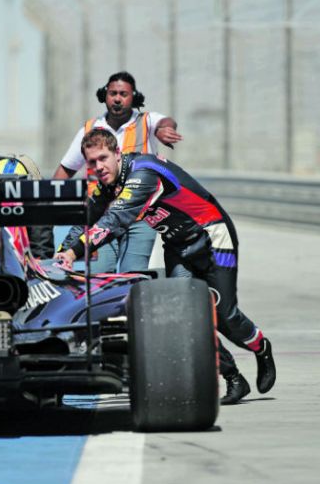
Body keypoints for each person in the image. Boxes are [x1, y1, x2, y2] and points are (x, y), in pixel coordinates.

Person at [55, 129, 276, 405]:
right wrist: (64, 251)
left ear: (117, 154)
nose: (98, 167)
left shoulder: (143, 173)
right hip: (176, 245)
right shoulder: (109, 183)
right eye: (91, 163)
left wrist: (78, 250)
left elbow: (115, 220)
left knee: (224, 313)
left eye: (102, 158)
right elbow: (88, 217)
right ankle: (233, 378)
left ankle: (261, 346)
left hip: (213, 236)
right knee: (187, 317)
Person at [53, 71, 183, 273]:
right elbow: (66, 170)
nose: (117, 99)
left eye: (123, 94)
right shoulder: (90, 129)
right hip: (101, 216)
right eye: (113, 93)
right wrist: (51, 207)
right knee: (100, 275)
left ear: (134, 97)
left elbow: (165, 121)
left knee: (133, 274)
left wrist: (161, 131)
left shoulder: (146, 122)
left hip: (139, 216)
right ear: (104, 95)